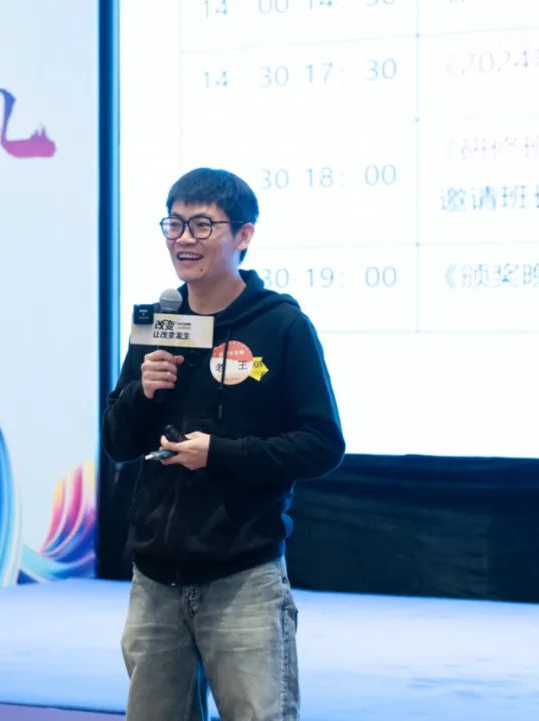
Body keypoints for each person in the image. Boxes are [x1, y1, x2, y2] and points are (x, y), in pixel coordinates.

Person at [102, 167, 346, 721]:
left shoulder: (282, 326)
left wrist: (220, 454)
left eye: (202, 225)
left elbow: (322, 443)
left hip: (243, 578)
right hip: (155, 578)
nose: (183, 239)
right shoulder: (158, 322)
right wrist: (142, 392)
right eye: (174, 224)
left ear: (244, 234)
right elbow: (118, 441)